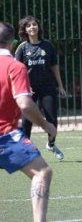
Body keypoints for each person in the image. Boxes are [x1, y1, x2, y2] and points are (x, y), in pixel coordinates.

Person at [0, 22, 57, 222]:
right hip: (4, 137)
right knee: (42, 172)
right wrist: (45, 124)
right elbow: (25, 104)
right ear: (12, 43)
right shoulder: (15, 66)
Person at [15, 16, 66, 160]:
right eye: (29, 25)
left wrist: (60, 86)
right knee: (26, 121)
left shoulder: (48, 45)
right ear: (25, 29)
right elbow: (17, 69)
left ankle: (51, 143)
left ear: (38, 27)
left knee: (52, 120)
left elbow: (54, 66)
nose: (32, 27)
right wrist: (21, 87)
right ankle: (25, 151)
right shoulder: (22, 47)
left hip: (47, 87)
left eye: (35, 24)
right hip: (28, 90)